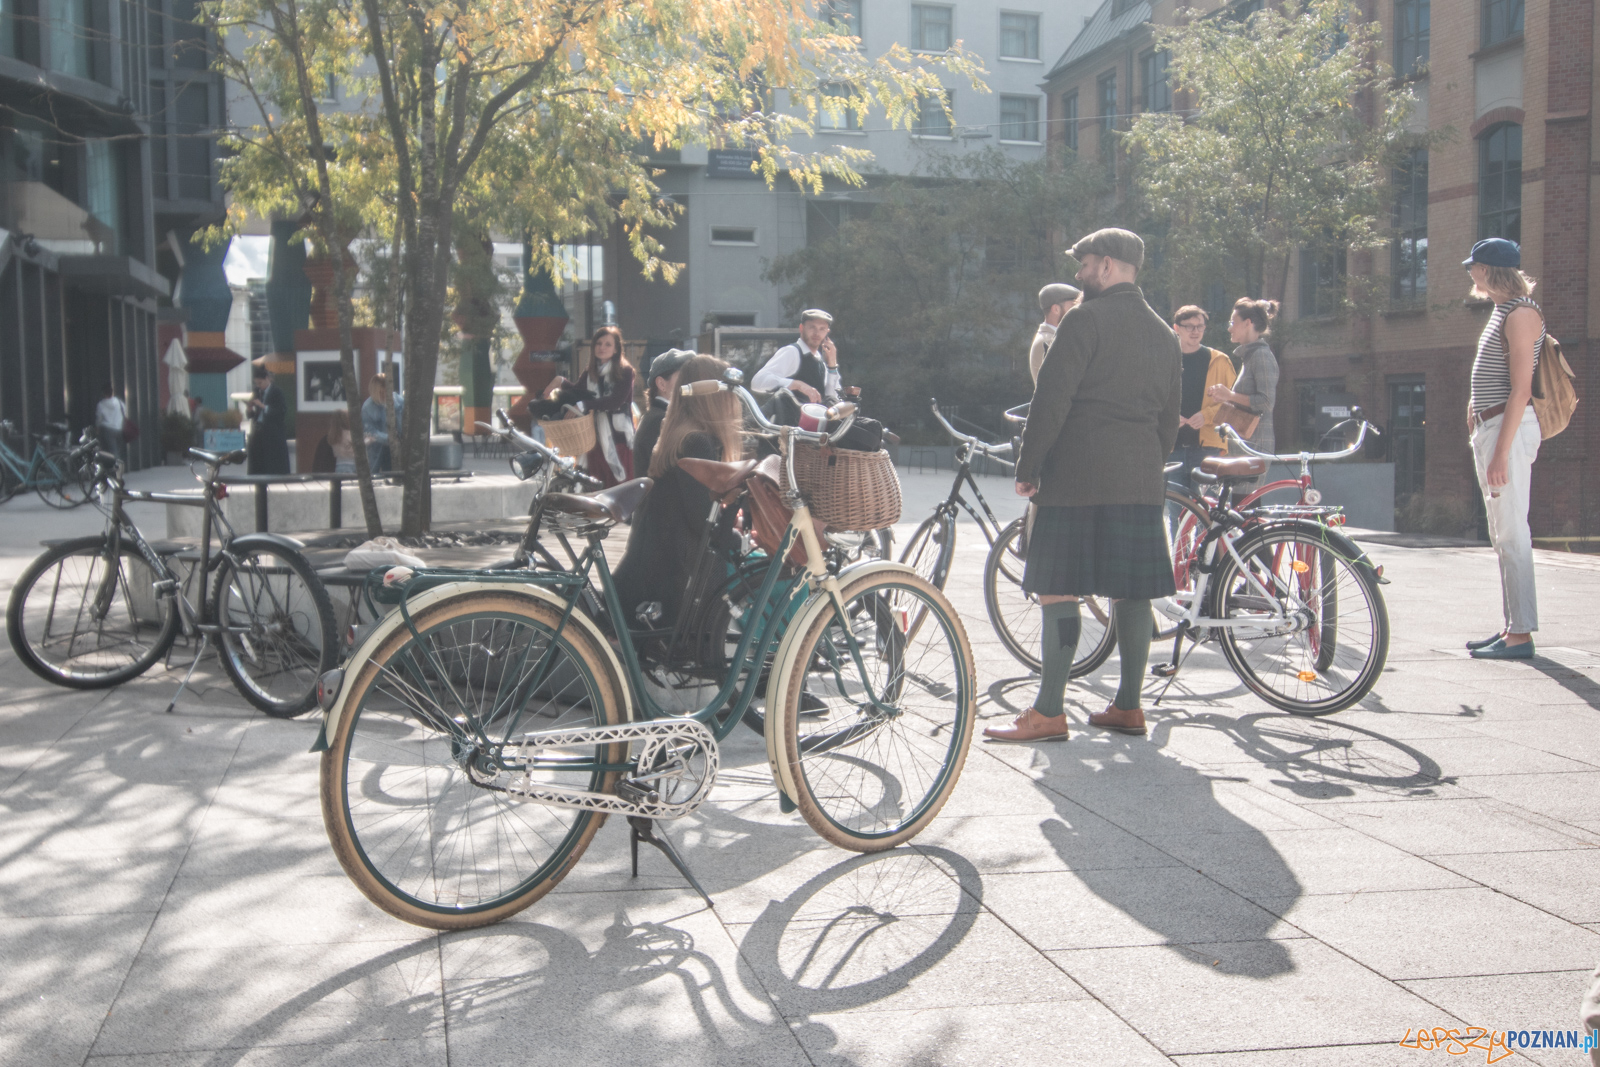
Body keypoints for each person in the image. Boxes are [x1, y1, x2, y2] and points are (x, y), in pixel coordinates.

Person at [984, 228, 1180, 743]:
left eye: (1086, 263)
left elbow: (1052, 400)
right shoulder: (1163, 332)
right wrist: (1148, 464)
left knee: (1057, 589)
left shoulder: (1082, 320)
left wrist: (1029, 468)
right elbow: (1169, 418)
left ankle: (1049, 711)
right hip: (1139, 478)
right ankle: (1129, 708)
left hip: (1075, 477)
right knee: (1133, 593)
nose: (1079, 274)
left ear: (1110, 265)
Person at [612, 354, 746, 628]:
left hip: (658, 556)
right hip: (681, 571)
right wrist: (739, 539)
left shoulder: (677, 432)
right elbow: (701, 522)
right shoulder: (697, 440)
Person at [1462, 238, 1544, 661]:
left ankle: (1521, 635)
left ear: (1489, 270)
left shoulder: (1522, 313)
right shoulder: (1501, 311)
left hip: (1507, 432)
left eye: (1473, 267)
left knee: (1512, 531)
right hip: (1492, 428)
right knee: (1502, 534)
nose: (1470, 274)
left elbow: (1522, 390)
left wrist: (1500, 452)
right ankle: (1513, 628)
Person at [542, 325, 636, 487]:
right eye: (598, 343)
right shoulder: (590, 373)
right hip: (594, 441)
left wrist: (583, 405)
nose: (602, 348)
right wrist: (561, 381)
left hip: (619, 441)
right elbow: (578, 392)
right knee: (595, 490)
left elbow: (615, 401)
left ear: (616, 349)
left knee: (620, 490)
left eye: (608, 344)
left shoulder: (625, 371)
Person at [1207, 297, 1280, 487]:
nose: (1230, 328)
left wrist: (1229, 395)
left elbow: (1266, 402)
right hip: (1245, 445)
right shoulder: (1250, 357)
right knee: (1238, 508)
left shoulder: (1262, 356)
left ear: (1248, 323)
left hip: (1254, 446)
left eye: (1233, 322)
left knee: (1245, 507)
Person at [1168, 305, 1237, 486]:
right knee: (1178, 507)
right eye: (1189, 326)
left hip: (1207, 448)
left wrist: (1205, 416)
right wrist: (1169, 417)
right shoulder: (1164, 359)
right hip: (1171, 446)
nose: (1195, 331)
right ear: (1176, 328)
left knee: (1206, 509)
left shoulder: (1219, 360)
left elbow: (1232, 403)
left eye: (1200, 326)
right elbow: (1149, 399)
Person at [752, 309, 840, 403]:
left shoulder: (819, 360)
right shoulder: (792, 352)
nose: (817, 333)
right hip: (789, 417)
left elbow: (832, 399)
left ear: (827, 332)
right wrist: (797, 385)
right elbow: (758, 382)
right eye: (812, 327)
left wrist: (832, 365)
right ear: (801, 328)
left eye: (822, 329)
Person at [633, 348, 695, 480]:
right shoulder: (660, 420)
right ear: (661, 384)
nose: (690, 383)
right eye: (683, 377)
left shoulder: (657, 416)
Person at [1030, 283, 1082, 383]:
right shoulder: (1049, 341)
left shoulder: (1050, 338)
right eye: (1074, 306)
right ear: (1056, 309)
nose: (1078, 312)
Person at [246, 363, 291, 475]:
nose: (259, 385)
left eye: (260, 383)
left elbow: (281, 411)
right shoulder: (257, 392)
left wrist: (263, 406)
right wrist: (250, 409)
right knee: (258, 461)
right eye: (257, 383)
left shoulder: (276, 392)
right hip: (259, 431)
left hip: (272, 432)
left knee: (272, 461)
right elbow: (253, 416)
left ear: (267, 379)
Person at [362, 373, 403, 474]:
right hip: (378, 450)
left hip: (400, 447)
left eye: (387, 392)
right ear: (374, 392)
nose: (384, 395)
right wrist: (390, 438)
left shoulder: (398, 401)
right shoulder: (368, 408)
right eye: (381, 392)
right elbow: (370, 431)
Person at [95, 385, 129, 466]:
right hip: (119, 429)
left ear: (103, 393)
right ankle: (118, 466)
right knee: (117, 449)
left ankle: (116, 468)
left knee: (111, 450)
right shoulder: (119, 402)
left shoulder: (101, 404)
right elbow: (125, 412)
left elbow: (99, 418)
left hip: (107, 429)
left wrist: (97, 428)